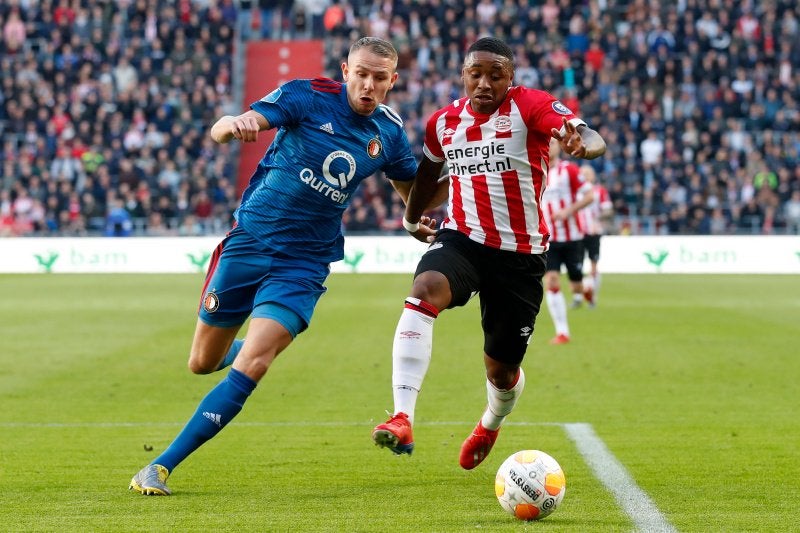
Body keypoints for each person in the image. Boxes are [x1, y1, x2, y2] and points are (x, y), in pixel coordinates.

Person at [129, 37, 423, 496]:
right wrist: (234, 124)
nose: (368, 84)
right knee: (202, 362)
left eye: (379, 77)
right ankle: (247, 344)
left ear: (393, 81)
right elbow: (228, 127)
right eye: (361, 73)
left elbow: (410, 190)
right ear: (345, 70)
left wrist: (414, 221)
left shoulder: (388, 133)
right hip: (249, 242)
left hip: (304, 263)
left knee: (254, 364)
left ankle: (160, 467)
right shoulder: (306, 95)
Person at [371, 37, 605, 469]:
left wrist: (583, 141)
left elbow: (580, 131)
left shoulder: (528, 105)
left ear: (509, 78)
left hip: (519, 256)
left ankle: (491, 421)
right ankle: (402, 415)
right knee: (425, 288)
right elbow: (427, 177)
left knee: (501, 372)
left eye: (495, 75)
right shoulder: (444, 123)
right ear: (463, 75)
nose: (484, 83)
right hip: (463, 238)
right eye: (475, 74)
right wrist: (410, 218)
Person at [540, 138, 595, 345]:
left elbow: (589, 196)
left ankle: (585, 288)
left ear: (559, 147)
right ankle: (562, 332)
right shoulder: (536, 170)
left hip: (572, 237)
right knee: (551, 280)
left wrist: (568, 211)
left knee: (575, 287)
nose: (549, 146)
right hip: (549, 238)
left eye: (553, 143)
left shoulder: (569, 170)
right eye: (547, 143)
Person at [577, 164, 614, 305]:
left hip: (594, 232)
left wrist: (598, 217)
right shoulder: (576, 191)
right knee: (577, 265)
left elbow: (608, 210)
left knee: (593, 264)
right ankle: (579, 295)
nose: (585, 176)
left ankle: (592, 296)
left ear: (593, 176)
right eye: (583, 173)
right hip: (578, 233)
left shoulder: (600, 191)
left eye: (588, 173)